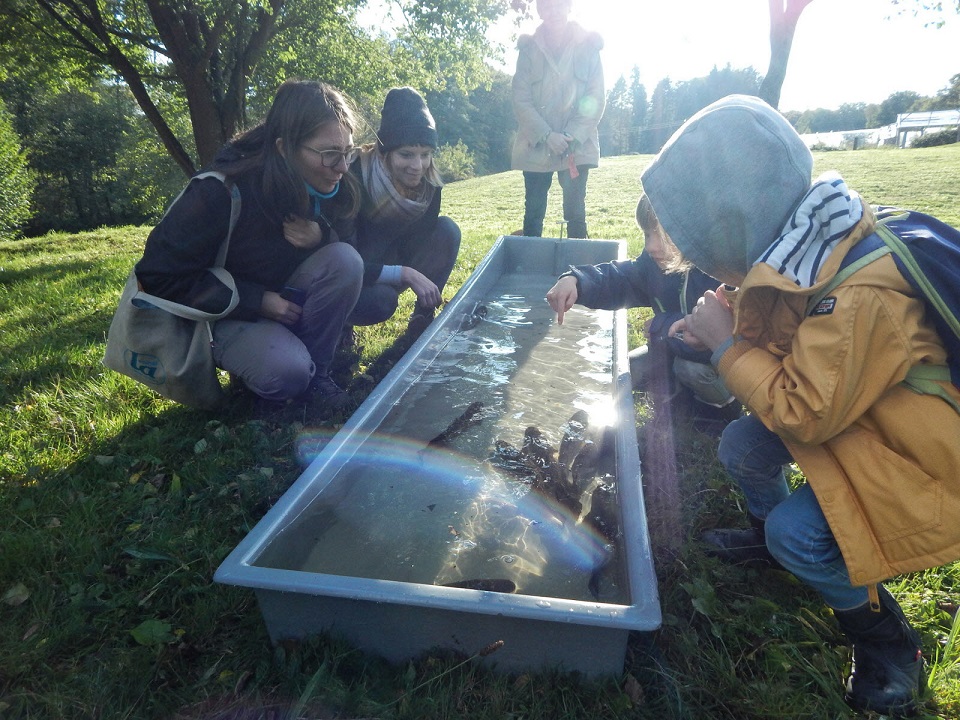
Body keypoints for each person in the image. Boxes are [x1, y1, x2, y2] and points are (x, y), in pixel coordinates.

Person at [642, 94, 960, 716]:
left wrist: (728, 346)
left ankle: (886, 641)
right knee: (741, 445)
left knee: (800, 534)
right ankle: (769, 542)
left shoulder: (860, 292)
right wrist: (726, 330)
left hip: (921, 459)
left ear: (735, 220)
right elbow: (795, 336)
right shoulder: (808, 239)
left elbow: (803, 414)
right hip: (863, 415)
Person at [134, 79, 364, 408]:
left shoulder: (335, 181)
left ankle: (318, 377)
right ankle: (266, 375)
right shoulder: (219, 191)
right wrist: (255, 300)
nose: (341, 167)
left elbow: (350, 248)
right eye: (329, 154)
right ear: (285, 149)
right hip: (226, 315)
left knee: (346, 259)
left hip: (286, 299)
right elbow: (156, 276)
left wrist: (321, 237)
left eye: (347, 152)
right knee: (287, 373)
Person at [545, 194, 739, 432]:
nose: (651, 246)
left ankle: (718, 412)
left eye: (663, 235)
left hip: (714, 365)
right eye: (647, 235)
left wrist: (662, 325)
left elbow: (720, 340)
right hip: (669, 350)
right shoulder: (653, 265)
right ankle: (676, 397)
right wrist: (577, 280)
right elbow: (620, 279)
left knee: (689, 370)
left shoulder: (718, 272)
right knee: (626, 370)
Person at [345, 87, 461, 339]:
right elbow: (344, 260)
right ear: (384, 152)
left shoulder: (429, 188)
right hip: (355, 272)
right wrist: (402, 273)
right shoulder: (353, 176)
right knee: (381, 300)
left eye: (425, 155)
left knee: (448, 230)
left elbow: (419, 241)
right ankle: (342, 324)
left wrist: (411, 272)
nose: (417, 166)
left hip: (396, 262)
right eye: (406, 154)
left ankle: (423, 316)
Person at [511, 0, 604, 239]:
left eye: (559, 5)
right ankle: (530, 261)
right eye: (547, 6)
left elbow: (595, 98)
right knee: (533, 214)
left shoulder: (589, 47)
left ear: (569, 6)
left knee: (576, 214)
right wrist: (546, 135)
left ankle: (578, 264)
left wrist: (571, 135)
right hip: (536, 146)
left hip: (576, 147)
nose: (554, 12)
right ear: (540, 11)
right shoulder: (528, 49)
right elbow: (520, 99)